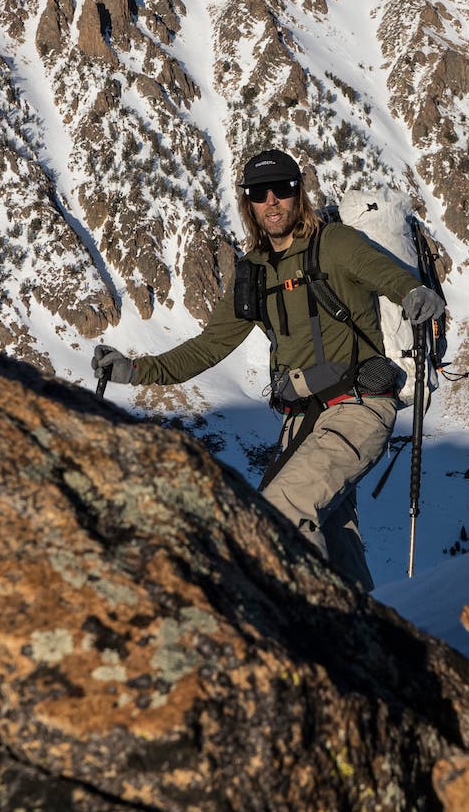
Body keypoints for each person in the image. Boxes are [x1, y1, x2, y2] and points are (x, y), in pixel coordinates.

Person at [92, 149, 443, 591]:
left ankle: (307, 633)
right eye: (260, 193)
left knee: (282, 510)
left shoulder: (334, 244)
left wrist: (414, 294)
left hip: (358, 408)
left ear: (300, 194)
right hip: (299, 425)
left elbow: (387, 275)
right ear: (248, 203)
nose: (272, 200)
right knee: (335, 540)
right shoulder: (253, 274)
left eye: (283, 189)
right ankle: (369, 639)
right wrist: (132, 370)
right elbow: (207, 347)